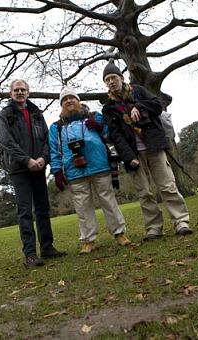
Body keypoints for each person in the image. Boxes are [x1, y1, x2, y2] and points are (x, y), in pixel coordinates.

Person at [101, 61, 194, 241]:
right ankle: (153, 228)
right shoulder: (108, 108)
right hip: (133, 154)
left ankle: (181, 222)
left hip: (153, 146)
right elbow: (115, 135)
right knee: (144, 193)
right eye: (107, 80)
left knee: (167, 186)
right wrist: (128, 157)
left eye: (113, 77)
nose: (111, 82)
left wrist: (139, 106)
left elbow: (157, 105)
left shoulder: (138, 91)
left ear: (121, 78)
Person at [49, 87, 132, 255]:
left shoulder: (95, 116)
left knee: (108, 201)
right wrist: (57, 171)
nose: (69, 101)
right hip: (74, 171)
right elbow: (53, 150)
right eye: (65, 99)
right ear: (61, 105)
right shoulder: (56, 127)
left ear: (78, 100)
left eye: (72, 98)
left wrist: (100, 127)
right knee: (82, 207)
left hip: (99, 165)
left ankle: (119, 233)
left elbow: (110, 134)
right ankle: (88, 240)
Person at [0, 79, 66, 268]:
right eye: (16, 90)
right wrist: (27, 160)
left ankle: (47, 247)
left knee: (43, 208)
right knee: (25, 212)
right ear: (10, 93)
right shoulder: (5, 115)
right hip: (19, 169)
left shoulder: (36, 113)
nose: (20, 92)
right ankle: (30, 254)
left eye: (23, 90)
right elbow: (5, 141)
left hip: (39, 167)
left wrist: (44, 159)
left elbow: (45, 139)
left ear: (28, 92)